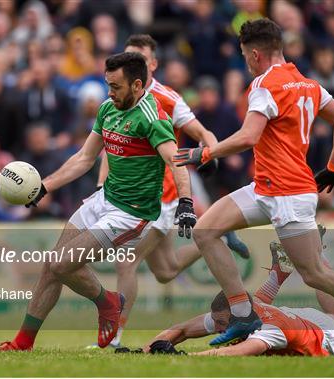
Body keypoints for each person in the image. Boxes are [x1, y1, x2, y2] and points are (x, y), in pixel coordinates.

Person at [173, 19, 334, 356]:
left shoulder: (264, 84)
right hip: (268, 188)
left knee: (315, 273)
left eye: (245, 56)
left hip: (286, 193)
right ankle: (243, 313)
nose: (245, 62)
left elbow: (248, 137)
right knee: (207, 229)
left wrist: (205, 152)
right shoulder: (307, 83)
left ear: (255, 54)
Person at [0, 52, 197, 351]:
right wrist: (45, 186)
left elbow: (176, 162)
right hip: (104, 199)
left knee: (60, 263)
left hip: (132, 214)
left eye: (116, 86)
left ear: (137, 85)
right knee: (52, 266)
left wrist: (185, 202)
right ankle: (23, 342)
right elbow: (85, 158)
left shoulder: (153, 118)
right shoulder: (107, 109)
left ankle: (108, 304)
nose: (109, 92)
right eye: (108, 85)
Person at [95, 35, 250, 348]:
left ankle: (114, 338)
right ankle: (220, 234)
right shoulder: (118, 97)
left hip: (161, 197)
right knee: (166, 271)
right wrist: (101, 185)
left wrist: (211, 153)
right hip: (130, 195)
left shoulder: (167, 98)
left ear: (152, 64)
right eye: (127, 56)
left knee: (126, 261)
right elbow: (110, 148)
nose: (131, 62)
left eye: (139, 57)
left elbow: (200, 131)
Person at [139, 230, 334, 357]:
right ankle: (280, 273)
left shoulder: (270, 331)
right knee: (257, 303)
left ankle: (315, 254)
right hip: (284, 314)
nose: (218, 328)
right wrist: (146, 350)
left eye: (222, 323)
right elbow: (182, 330)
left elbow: (234, 352)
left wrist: (185, 356)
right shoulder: (231, 314)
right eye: (217, 322)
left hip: (322, 329)